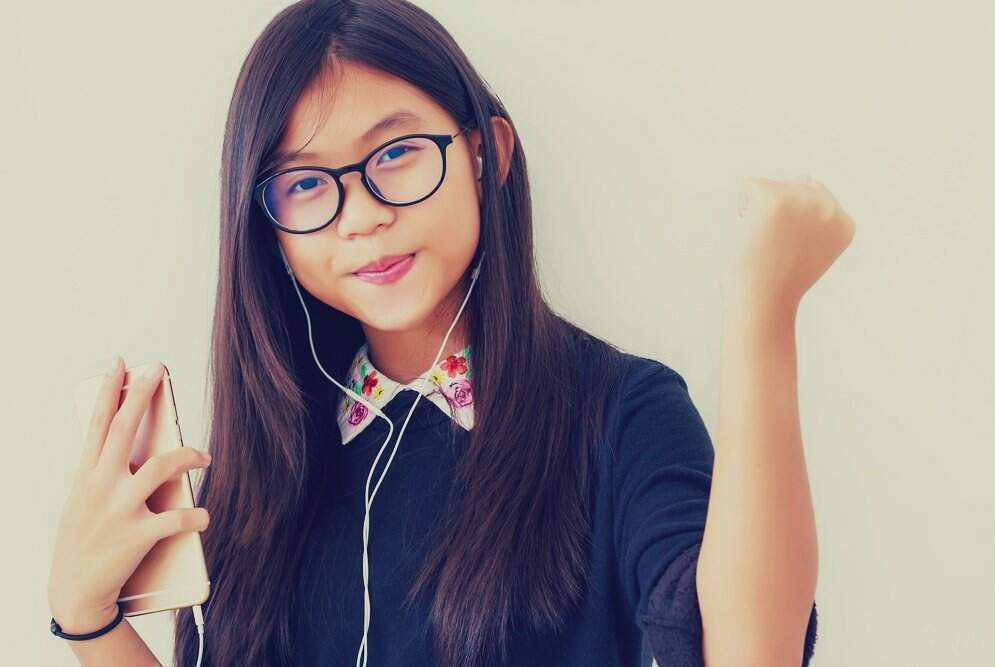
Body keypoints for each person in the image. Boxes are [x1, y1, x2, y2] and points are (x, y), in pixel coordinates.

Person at [49, 0, 834, 665]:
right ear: (269, 226)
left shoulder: (621, 413)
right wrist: (89, 615)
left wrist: (763, 310)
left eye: (396, 153)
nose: (362, 216)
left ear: (487, 154)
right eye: (306, 182)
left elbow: (749, 652)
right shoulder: (268, 461)